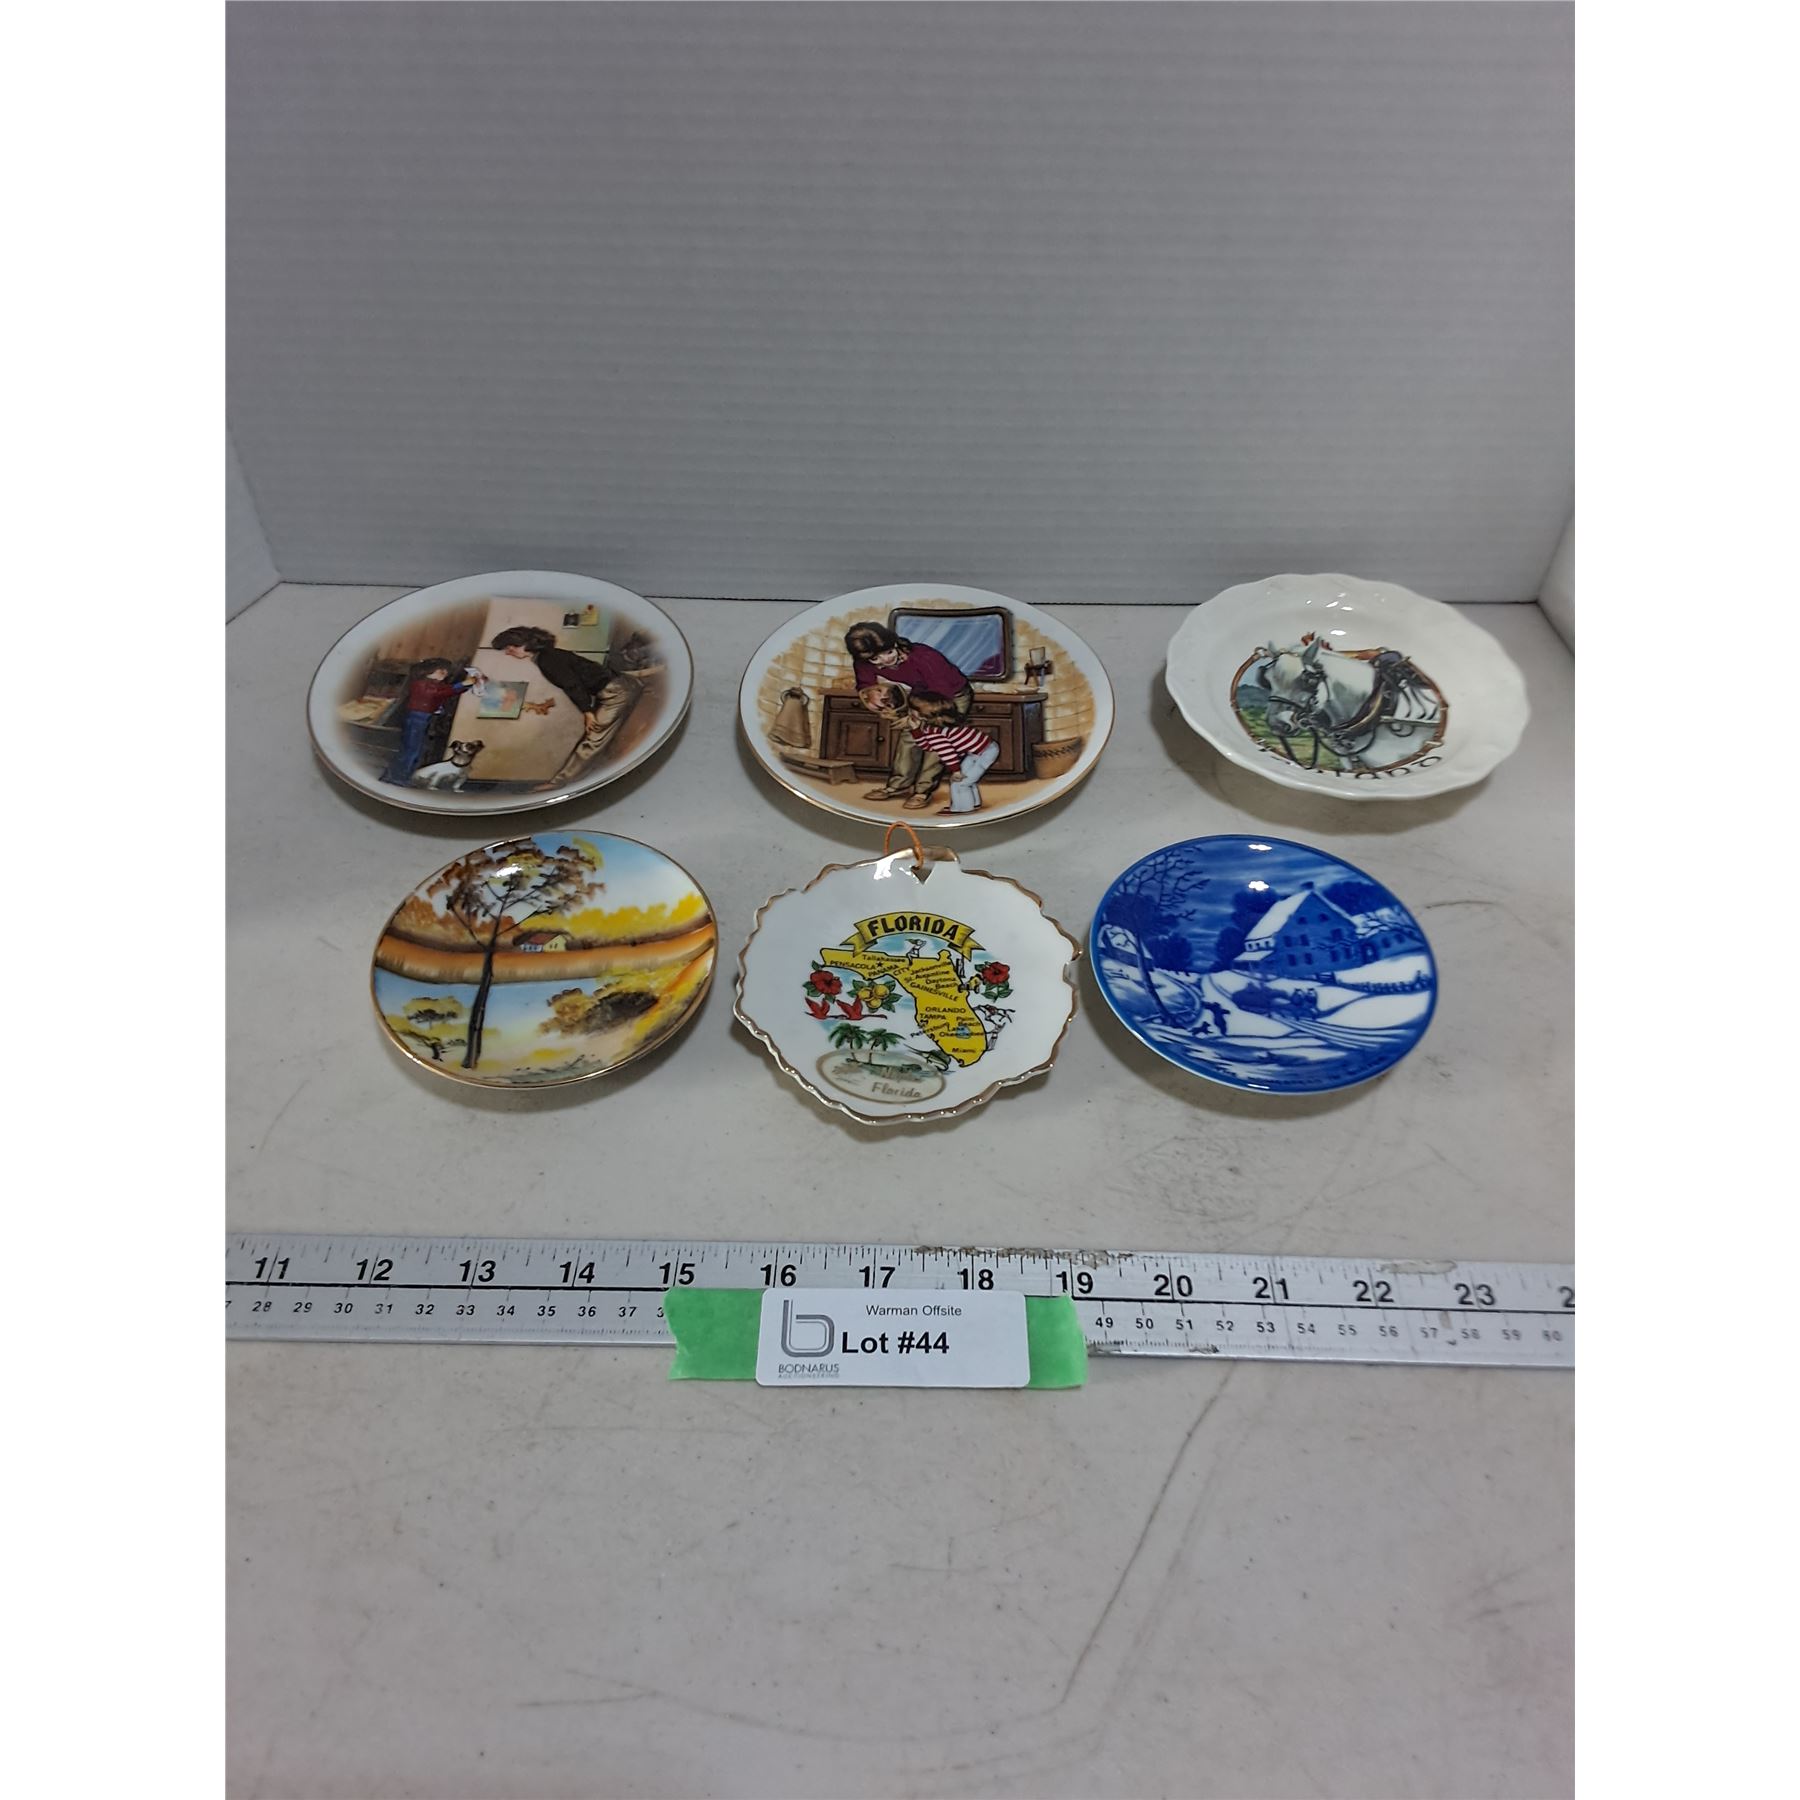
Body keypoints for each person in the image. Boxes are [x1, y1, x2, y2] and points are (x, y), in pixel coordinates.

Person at [490, 625, 641, 789]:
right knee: (593, 738)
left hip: (616, 692)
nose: (508, 653)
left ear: (523, 644)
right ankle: (568, 781)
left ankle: (559, 783)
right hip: (618, 687)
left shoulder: (547, 660)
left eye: (509, 648)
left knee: (593, 740)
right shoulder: (549, 655)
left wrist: (587, 711)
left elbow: (572, 685)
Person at [844, 621, 973, 806]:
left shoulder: (925, 657)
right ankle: (898, 785)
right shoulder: (863, 661)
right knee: (909, 738)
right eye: (876, 659)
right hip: (917, 695)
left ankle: (923, 790)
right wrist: (872, 695)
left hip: (949, 697)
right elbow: (865, 684)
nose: (885, 660)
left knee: (937, 741)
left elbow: (940, 693)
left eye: (889, 652)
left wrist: (917, 716)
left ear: (895, 643)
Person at [381, 659, 482, 785]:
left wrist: (467, 685)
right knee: (411, 751)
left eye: (445, 671)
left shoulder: (435, 684)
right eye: (440, 670)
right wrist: (463, 684)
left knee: (415, 751)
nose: (444, 673)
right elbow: (440, 693)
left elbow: (449, 691)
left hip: (424, 718)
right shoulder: (421, 684)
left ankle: (400, 776)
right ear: (427, 672)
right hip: (417, 718)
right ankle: (397, 777)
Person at [901, 691, 1000, 816]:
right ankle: (973, 804)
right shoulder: (933, 726)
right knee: (966, 779)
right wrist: (916, 730)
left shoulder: (935, 731)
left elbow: (947, 753)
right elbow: (929, 747)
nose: (910, 711)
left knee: (960, 783)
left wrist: (956, 771)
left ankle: (963, 809)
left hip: (985, 752)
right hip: (980, 750)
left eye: (913, 709)